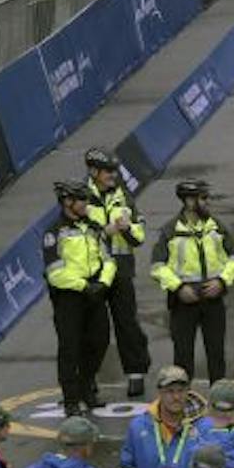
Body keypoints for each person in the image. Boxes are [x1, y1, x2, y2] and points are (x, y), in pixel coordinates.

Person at [79, 150, 150, 402]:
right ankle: (88, 379)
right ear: (93, 172)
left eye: (114, 170)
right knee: (94, 330)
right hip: (93, 273)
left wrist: (128, 228)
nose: (113, 175)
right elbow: (76, 235)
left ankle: (136, 373)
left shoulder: (123, 196)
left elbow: (140, 234)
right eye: (108, 171)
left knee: (127, 323)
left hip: (121, 270)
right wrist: (106, 231)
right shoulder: (80, 198)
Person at [153, 178, 234, 383]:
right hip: (183, 302)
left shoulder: (216, 227)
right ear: (189, 201)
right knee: (183, 355)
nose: (208, 202)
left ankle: (219, 396)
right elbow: (157, 267)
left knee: (216, 352)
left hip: (213, 298)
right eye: (203, 198)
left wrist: (222, 281)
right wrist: (179, 287)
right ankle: (183, 398)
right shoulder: (170, 230)